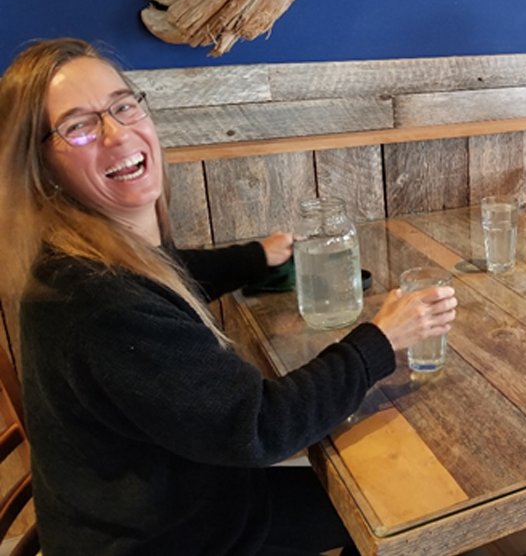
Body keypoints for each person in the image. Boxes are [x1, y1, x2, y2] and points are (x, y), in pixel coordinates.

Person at [0, 38, 459, 556]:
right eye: (78, 126)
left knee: (380, 487)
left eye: (122, 105)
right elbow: (260, 426)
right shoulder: (97, 304)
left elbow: (170, 276)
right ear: (39, 167)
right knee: (404, 499)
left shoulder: (88, 256)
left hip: (183, 499)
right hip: (180, 538)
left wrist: (253, 258)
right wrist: (381, 339)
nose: (116, 131)